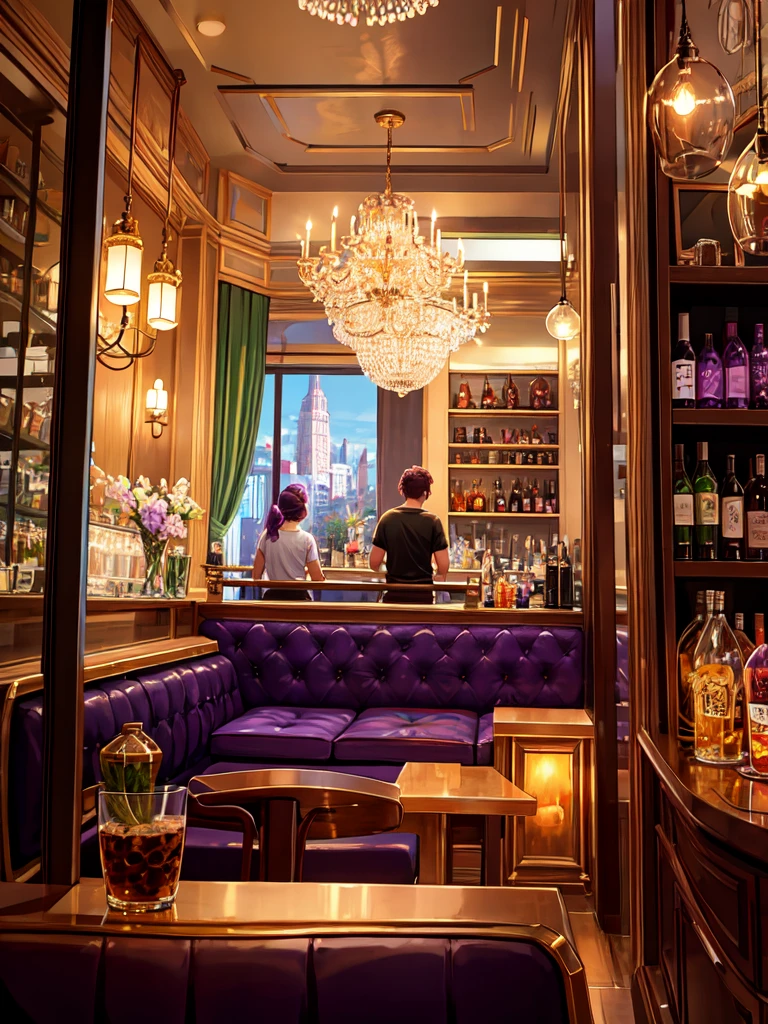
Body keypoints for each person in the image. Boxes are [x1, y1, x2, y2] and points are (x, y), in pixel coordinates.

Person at [369, 466, 449, 604]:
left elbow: (373, 563)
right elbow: (444, 565)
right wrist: (439, 574)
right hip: (423, 598)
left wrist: (389, 566)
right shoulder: (433, 521)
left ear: (403, 490)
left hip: (394, 596)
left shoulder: (387, 518)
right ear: (425, 492)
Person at [253, 483, 325, 600]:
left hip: (272, 600)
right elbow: (317, 578)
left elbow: (256, 576)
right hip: (299, 601)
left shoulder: (268, 534)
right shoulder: (307, 539)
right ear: (303, 510)